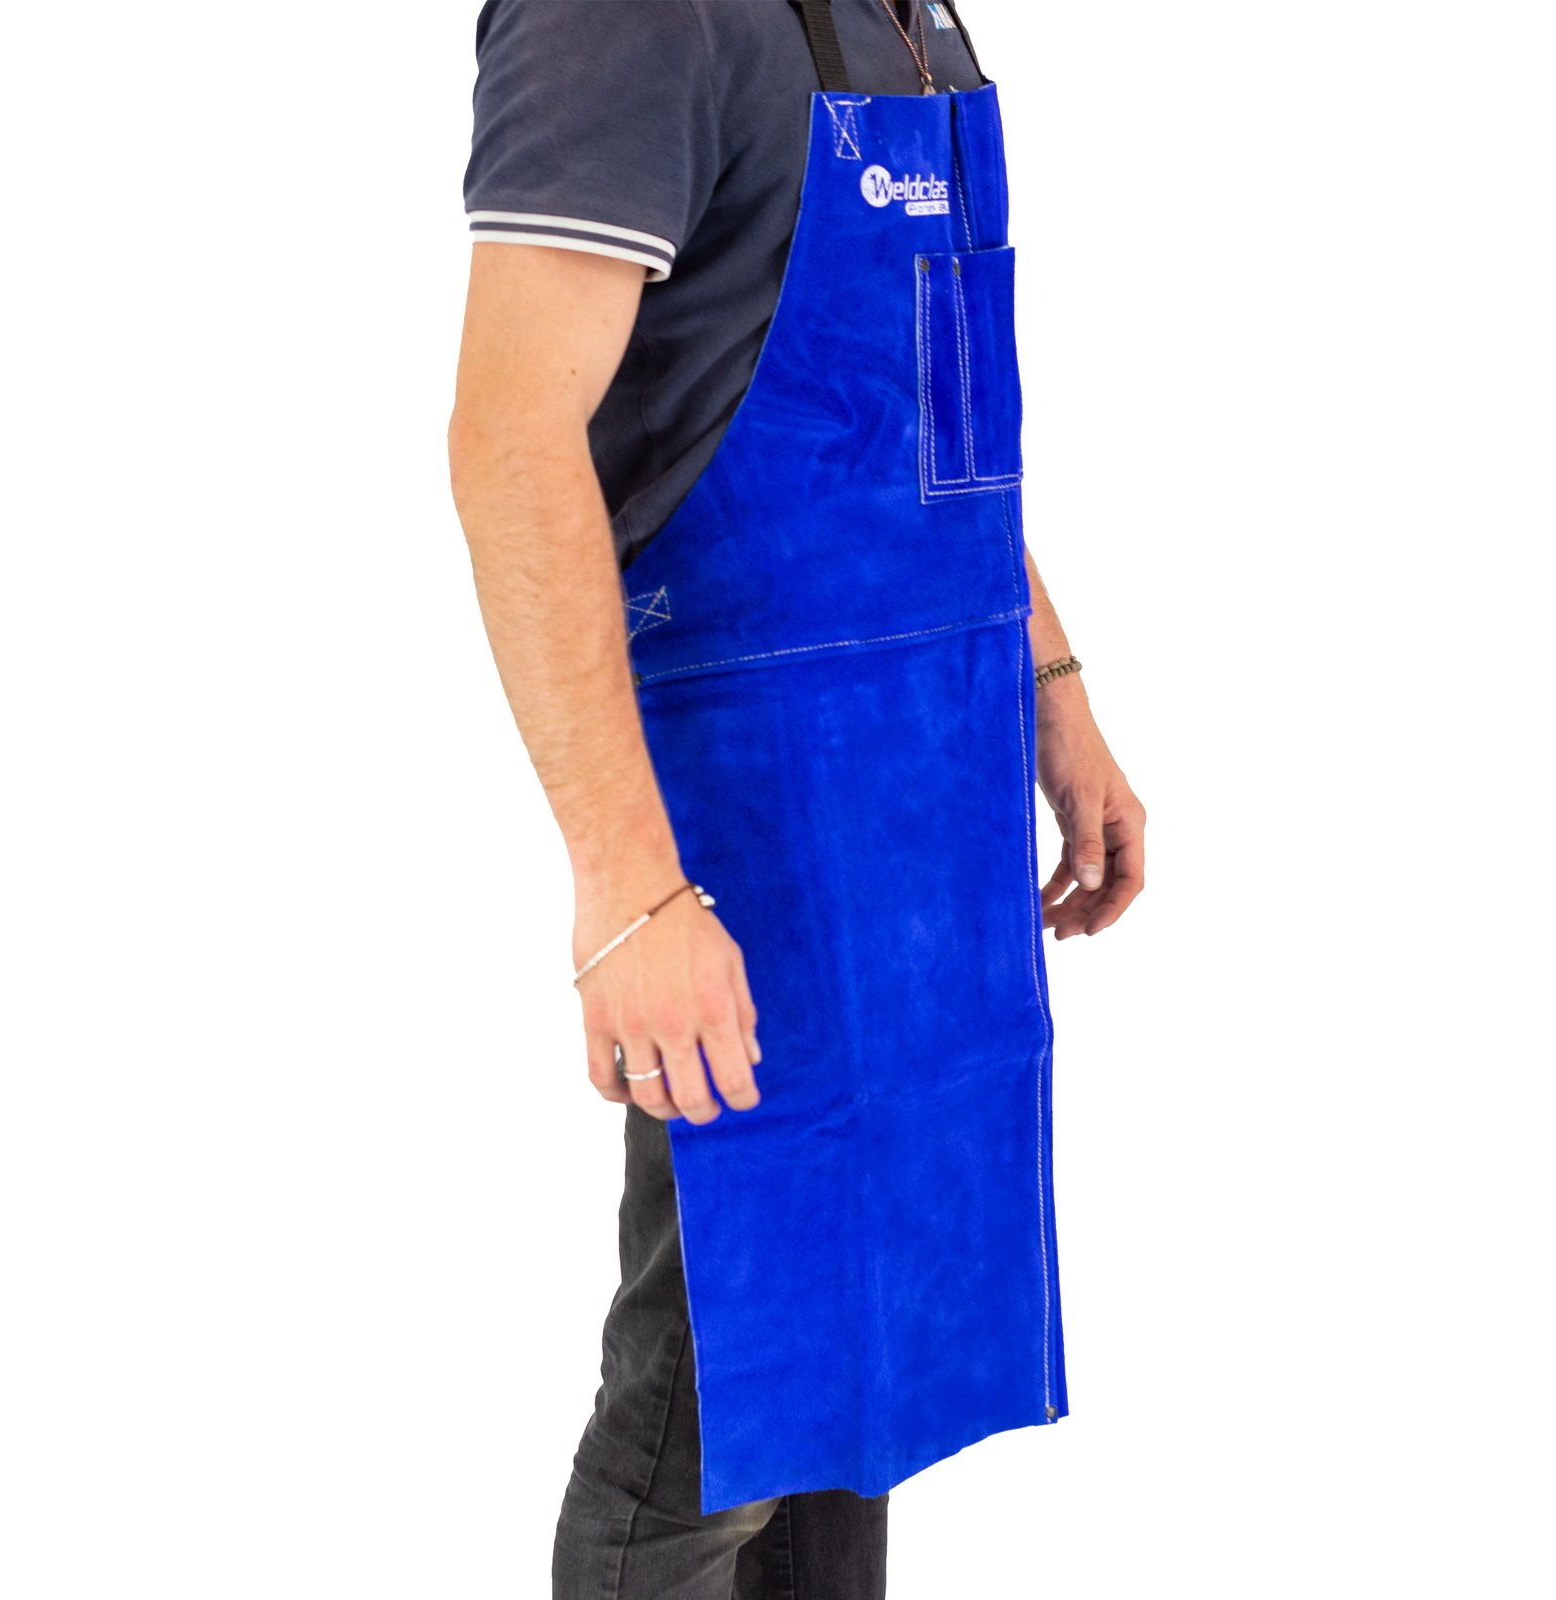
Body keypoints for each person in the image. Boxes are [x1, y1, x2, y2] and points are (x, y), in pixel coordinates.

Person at [448, 3, 1146, 1595]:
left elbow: (928, 416)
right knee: (718, 1411)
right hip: (754, 817)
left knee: (856, 1381)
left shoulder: (904, 14)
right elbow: (509, 440)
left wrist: (1052, 687)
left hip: (926, 809)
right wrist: (631, 889)